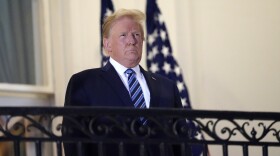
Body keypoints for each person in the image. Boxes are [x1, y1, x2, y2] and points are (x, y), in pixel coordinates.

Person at [63, 9, 188, 156]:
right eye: (123, 35)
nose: (132, 41)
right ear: (107, 44)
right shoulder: (84, 83)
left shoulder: (167, 86)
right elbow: (73, 140)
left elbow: (181, 142)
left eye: (136, 35)